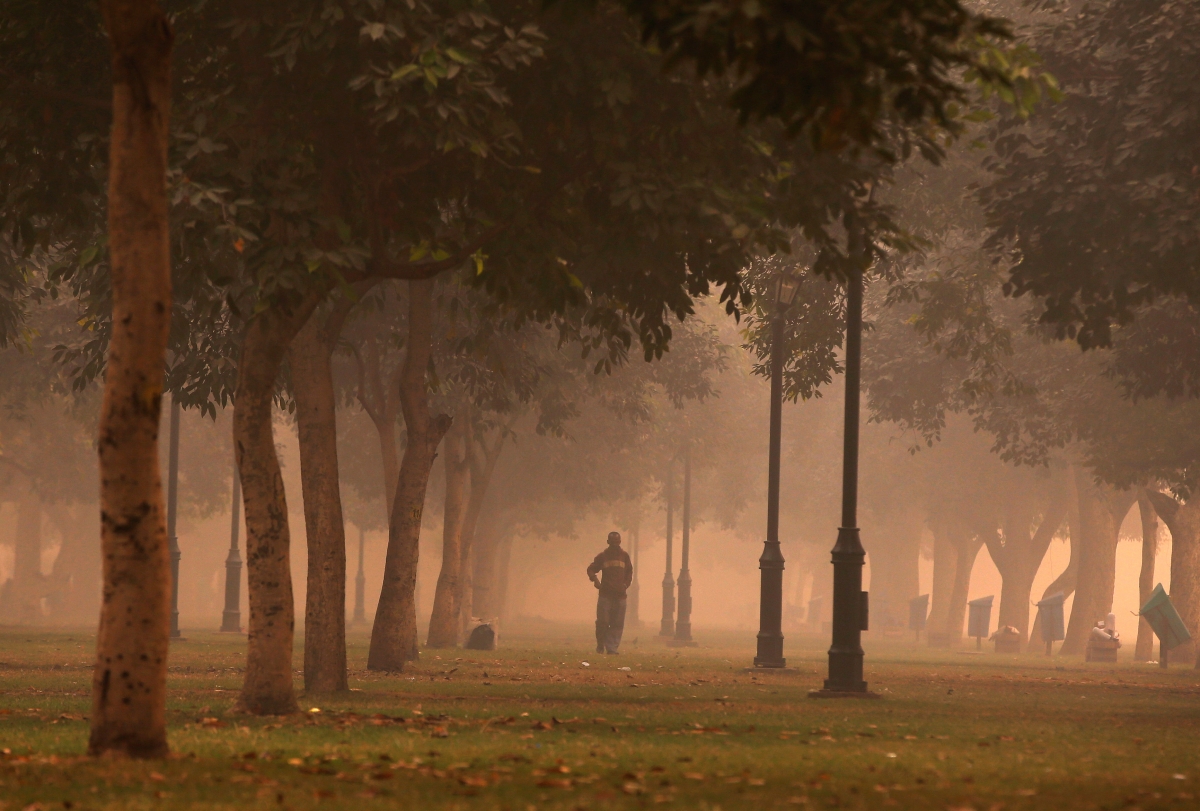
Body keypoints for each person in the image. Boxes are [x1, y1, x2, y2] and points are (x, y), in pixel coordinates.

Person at [587, 531, 633, 654]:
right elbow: (591, 569)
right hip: (605, 595)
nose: (615, 544)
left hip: (620, 596)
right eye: (612, 542)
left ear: (620, 542)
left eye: (617, 542)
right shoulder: (602, 556)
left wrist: (625, 585)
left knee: (617, 623)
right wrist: (595, 580)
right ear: (608, 542)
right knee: (602, 622)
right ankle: (600, 644)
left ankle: (612, 648)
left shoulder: (624, 556)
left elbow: (629, 572)